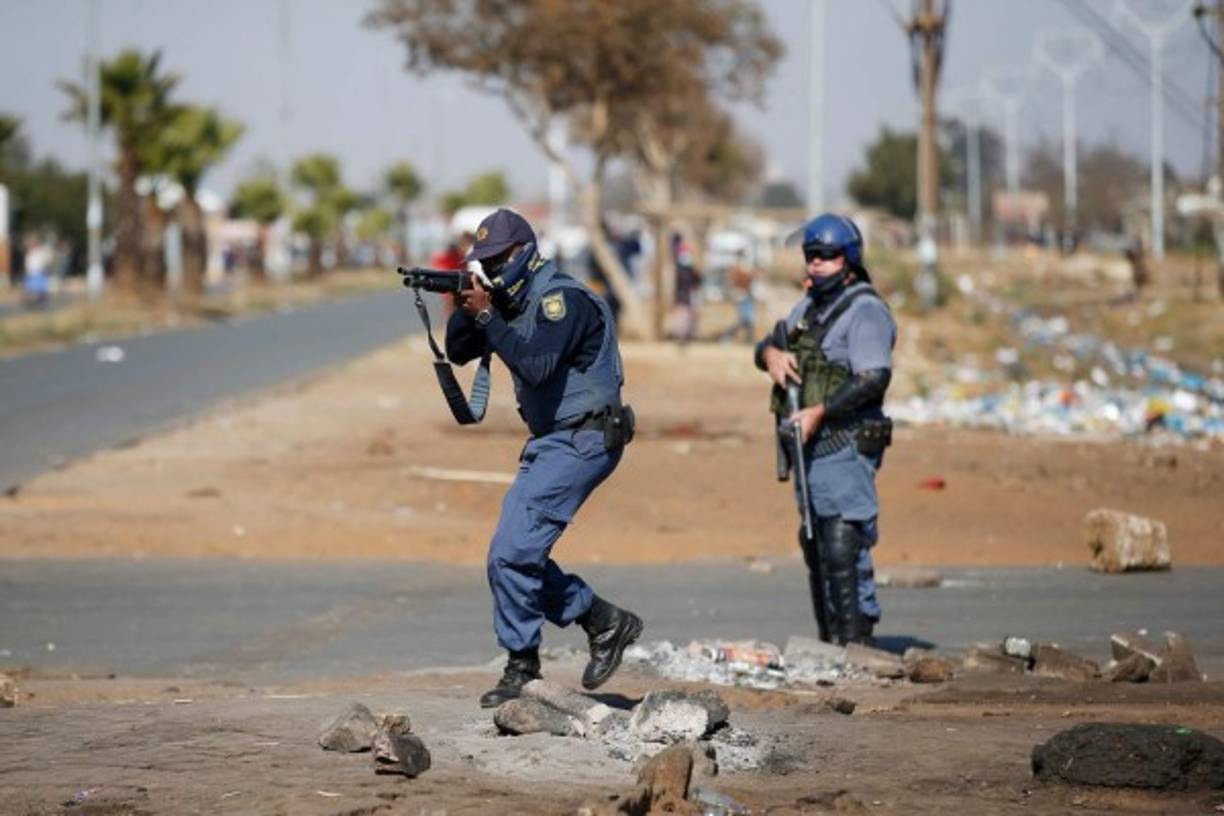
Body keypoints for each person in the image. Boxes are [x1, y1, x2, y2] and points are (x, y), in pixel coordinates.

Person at [444, 208, 644, 707]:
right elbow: (458, 352)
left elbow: (536, 365)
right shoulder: (513, 300)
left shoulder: (563, 301)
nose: (489, 269)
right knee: (510, 554)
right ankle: (602, 620)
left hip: (585, 439)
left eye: (494, 260)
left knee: (512, 553)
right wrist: (468, 307)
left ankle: (522, 666)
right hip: (552, 442)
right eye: (482, 262)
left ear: (522, 253)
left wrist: (490, 313)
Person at [754, 214, 896, 645]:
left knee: (842, 542)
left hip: (845, 440)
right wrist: (771, 356)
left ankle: (856, 642)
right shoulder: (810, 305)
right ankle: (830, 642)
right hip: (810, 447)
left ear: (848, 259)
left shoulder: (865, 309)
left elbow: (874, 376)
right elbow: (770, 341)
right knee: (815, 543)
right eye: (812, 256)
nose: (817, 264)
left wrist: (820, 411)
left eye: (828, 257)